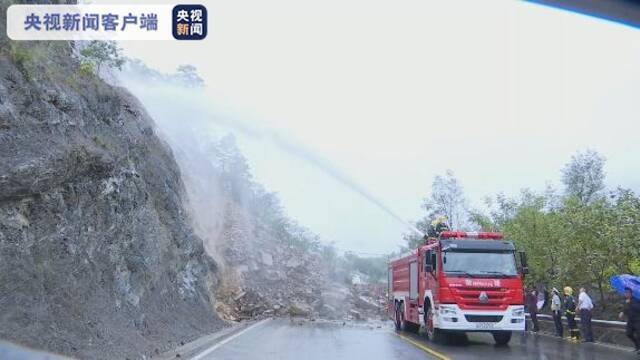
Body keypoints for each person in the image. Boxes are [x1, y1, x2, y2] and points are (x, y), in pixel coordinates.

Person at [619, 287, 640, 354]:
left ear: (631, 293)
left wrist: (629, 303)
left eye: (627, 293)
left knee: (639, 335)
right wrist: (622, 312)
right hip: (630, 321)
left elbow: (637, 308)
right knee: (628, 334)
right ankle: (637, 346)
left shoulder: (636, 300)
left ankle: (638, 348)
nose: (626, 294)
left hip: (637, 320)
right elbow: (625, 309)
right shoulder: (626, 301)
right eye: (625, 293)